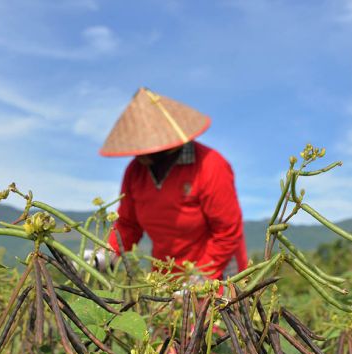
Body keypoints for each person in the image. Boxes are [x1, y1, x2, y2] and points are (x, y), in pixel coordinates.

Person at [98, 87, 247, 280]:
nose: (136, 154)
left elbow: (226, 232)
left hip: (217, 269)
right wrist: (104, 256)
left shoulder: (210, 165)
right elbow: (128, 225)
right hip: (166, 273)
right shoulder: (135, 172)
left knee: (215, 309)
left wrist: (200, 277)